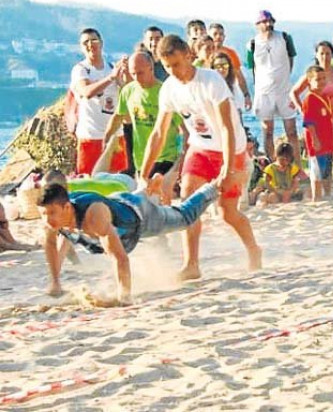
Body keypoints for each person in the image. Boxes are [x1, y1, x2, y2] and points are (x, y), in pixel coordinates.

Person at [142, 35, 262, 281]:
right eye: (167, 67)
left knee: (227, 213)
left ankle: (254, 250)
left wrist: (228, 170)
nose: (173, 71)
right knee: (187, 201)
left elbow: (227, 126)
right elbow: (158, 133)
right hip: (199, 148)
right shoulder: (170, 88)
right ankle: (191, 264)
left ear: (188, 54)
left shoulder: (211, 80)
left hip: (230, 148)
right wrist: (143, 173)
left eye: (176, 64)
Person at [38, 174, 220, 304]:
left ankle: (212, 188)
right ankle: (150, 190)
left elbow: (121, 258)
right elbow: (52, 244)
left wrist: (123, 296)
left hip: (139, 216)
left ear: (67, 207)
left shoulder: (94, 216)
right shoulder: (52, 220)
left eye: (52, 213)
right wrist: (55, 282)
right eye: (44, 214)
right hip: (117, 205)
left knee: (184, 218)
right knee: (93, 235)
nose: (48, 219)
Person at [103, 52, 184, 185]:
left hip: (165, 156)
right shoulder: (128, 91)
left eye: (140, 73)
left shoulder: (164, 92)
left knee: (155, 196)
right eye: (133, 73)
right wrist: (107, 138)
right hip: (141, 158)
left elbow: (182, 127)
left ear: (151, 69)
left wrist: (180, 160)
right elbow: (118, 116)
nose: (136, 78)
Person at [290, 42, 333, 195]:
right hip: (320, 123)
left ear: (332, 55)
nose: (325, 56)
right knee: (324, 156)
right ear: (316, 55)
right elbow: (294, 92)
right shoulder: (312, 75)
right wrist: (301, 109)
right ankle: (325, 192)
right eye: (321, 53)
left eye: (327, 53)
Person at [71, 28, 129, 175]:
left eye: (94, 40)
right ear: (81, 47)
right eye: (86, 42)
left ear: (101, 43)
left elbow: (127, 91)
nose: (90, 44)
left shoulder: (112, 67)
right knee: (89, 180)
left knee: (115, 180)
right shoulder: (81, 69)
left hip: (115, 135)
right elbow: (86, 92)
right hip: (90, 136)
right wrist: (110, 78)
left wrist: (125, 74)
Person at [246, 10, 300, 163]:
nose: (268, 24)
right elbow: (253, 67)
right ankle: (272, 167)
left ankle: (297, 167)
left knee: (292, 132)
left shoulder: (284, 37)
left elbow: (291, 59)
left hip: (284, 91)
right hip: (264, 93)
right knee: (267, 132)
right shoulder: (252, 44)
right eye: (264, 22)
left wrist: (283, 78)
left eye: (270, 21)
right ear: (257, 25)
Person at [300, 65, 333, 201]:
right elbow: (309, 122)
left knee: (327, 169)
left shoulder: (326, 97)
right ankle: (316, 197)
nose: (321, 82)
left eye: (323, 78)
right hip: (317, 142)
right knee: (316, 171)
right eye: (317, 79)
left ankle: (327, 194)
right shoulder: (309, 99)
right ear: (309, 81)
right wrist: (315, 139)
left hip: (327, 140)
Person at [209, 23, 251, 110]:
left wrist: (246, 95)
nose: (218, 37)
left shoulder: (231, 53)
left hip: (230, 94)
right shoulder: (205, 53)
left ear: (224, 36)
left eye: (221, 34)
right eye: (215, 34)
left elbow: (239, 76)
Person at [211, 52, 246, 121]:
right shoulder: (208, 87)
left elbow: (238, 114)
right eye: (217, 66)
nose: (221, 69)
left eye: (225, 65)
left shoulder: (233, 87)